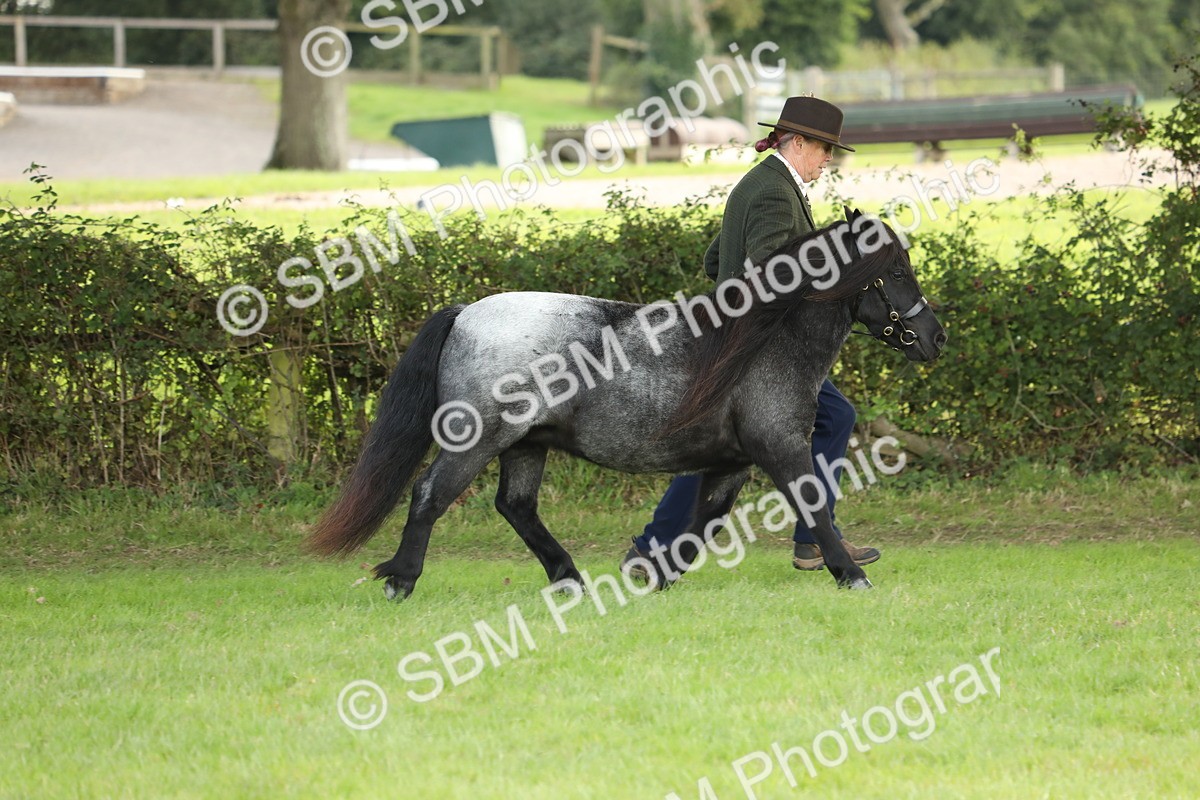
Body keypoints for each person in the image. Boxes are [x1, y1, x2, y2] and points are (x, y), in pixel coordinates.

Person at [621, 96, 880, 583]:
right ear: (798, 142)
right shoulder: (773, 192)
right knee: (806, 423)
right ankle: (811, 539)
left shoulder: (770, 183)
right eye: (825, 149)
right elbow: (771, 268)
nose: (829, 159)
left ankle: (659, 547)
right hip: (756, 343)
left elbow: (715, 260)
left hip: (740, 332)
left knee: (726, 443)